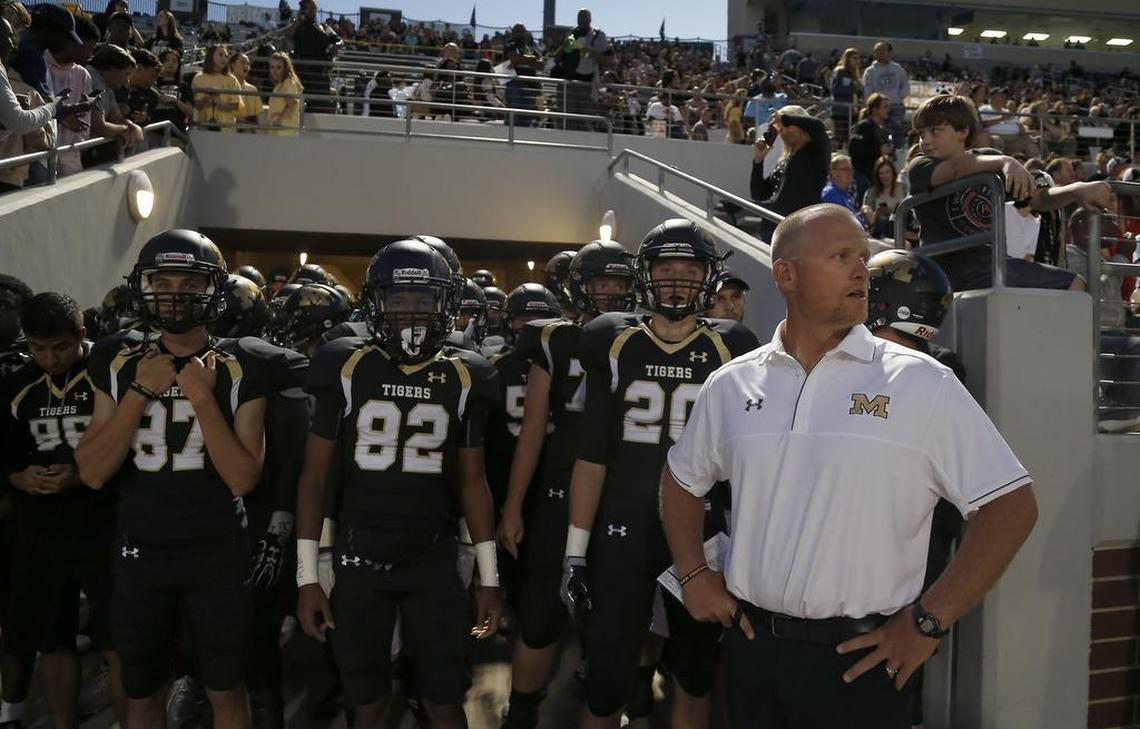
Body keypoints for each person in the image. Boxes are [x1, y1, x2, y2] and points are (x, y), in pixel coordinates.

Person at [661, 203, 1039, 728]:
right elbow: (681, 481)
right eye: (841, 256)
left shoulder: (921, 382)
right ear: (785, 275)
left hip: (863, 660)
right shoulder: (731, 384)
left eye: (863, 256)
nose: (862, 269)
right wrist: (694, 573)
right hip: (752, 652)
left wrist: (930, 622)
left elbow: (1011, 504)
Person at [76, 229, 281, 729]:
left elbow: (242, 478)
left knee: (225, 688)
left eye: (187, 281)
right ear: (142, 286)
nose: (172, 293)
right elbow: (93, 471)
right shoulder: (117, 359)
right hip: (141, 549)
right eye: (161, 281)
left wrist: (203, 398)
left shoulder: (241, 363)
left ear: (212, 290)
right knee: (142, 689)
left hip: (215, 551)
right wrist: (141, 392)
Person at [295, 239, 502, 729]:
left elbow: (474, 483)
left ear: (444, 303)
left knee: (445, 698)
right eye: (399, 299)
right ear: (377, 303)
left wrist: (489, 577)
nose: (411, 311)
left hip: (432, 557)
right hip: (359, 556)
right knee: (365, 698)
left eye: (424, 299)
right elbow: (315, 478)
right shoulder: (345, 364)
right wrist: (308, 575)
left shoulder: (466, 373)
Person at [561, 220, 759, 729]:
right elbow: (592, 455)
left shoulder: (734, 345)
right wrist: (575, 552)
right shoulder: (609, 339)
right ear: (645, 276)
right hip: (622, 524)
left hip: (703, 530)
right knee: (607, 680)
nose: (676, 281)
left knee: (694, 673)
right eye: (664, 269)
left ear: (709, 277)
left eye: (689, 270)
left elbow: (745, 464)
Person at [497, 240, 636, 728]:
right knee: (539, 613)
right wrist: (513, 506)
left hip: (619, 489)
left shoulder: (642, 335)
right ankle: (523, 707)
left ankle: (605, 697)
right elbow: (532, 431)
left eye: (620, 283)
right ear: (580, 286)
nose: (613, 293)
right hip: (559, 484)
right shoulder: (554, 339)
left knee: (614, 613)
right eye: (603, 283)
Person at [2, 292, 127, 729]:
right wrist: (19, 477)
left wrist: (80, 472)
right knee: (51, 638)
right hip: (42, 526)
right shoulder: (17, 383)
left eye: (58, 347)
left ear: (80, 335)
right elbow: (6, 455)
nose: (48, 358)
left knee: (116, 640)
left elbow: (134, 446)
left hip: (103, 521)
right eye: (37, 347)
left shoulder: (110, 376)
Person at [907, 94, 1109, 291]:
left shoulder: (989, 159)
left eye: (935, 131)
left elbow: (1038, 199)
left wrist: (1076, 190)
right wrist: (1005, 161)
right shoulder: (921, 164)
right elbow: (955, 170)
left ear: (962, 131)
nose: (925, 140)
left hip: (991, 265)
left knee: (1075, 283)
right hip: (943, 268)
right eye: (921, 134)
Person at [750, 106, 830, 241]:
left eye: (786, 126)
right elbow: (759, 193)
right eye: (781, 128)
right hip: (773, 227)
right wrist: (758, 161)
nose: (783, 131)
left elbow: (818, 126)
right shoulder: (785, 160)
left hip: (800, 229)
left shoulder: (815, 151)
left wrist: (783, 118)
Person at [555, 9, 610, 130]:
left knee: (585, 120)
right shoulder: (572, 34)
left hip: (587, 84)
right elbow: (557, 58)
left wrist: (591, 52)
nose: (581, 20)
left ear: (590, 19)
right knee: (566, 119)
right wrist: (564, 45)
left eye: (584, 17)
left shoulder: (598, 35)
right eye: (579, 17)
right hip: (568, 83)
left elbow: (608, 59)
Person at [286, 0, 340, 113]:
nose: (312, 10)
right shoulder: (297, 24)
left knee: (320, 106)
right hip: (301, 71)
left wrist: (336, 46)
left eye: (314, 7)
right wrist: (299, 19)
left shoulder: (324, 26)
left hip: (320, 73)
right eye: (309, 7)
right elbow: (289, 35)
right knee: (299, 106)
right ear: (304, 9)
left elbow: (339, 40)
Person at [847, 93, 893, 204]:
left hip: (875, 178)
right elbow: (853, 149)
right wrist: (878, 151)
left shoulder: (883, 130)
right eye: (885, 107)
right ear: (875, 109)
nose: (888, 110)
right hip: (863, 177)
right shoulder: (863, 126)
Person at [861, 40, 908, 147]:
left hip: (896, 106)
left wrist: (899, 96)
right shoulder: (870, 71)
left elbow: (905, 84)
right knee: (878, 131)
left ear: (889, 52)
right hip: (878, 107)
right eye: (877, 50)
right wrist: (872, 103)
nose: (879, 52)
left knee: (897, 132)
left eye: (882, 50)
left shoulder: (897, 69)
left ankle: (898, 152)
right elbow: (867, 89)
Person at [192, 44, 241, 131]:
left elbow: (236, 105)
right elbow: (196, 106)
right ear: (210, 56)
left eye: (226, 56)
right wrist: (207, 97)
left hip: (226, 130)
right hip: (203, 128)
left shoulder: (232, 79)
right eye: (220, 55)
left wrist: (218, 101)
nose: (224, 59)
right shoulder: (198, 78)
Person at [862, 156, 908, 239]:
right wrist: (876, 214)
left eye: (887, 172)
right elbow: (867, 214)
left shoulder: (903, 188)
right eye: (881, 173)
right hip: (880, 230)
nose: (885, 176)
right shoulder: (871, 192)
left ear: (893, 172)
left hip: (901, 227)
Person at [821, 153, 868, 229]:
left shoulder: (846, 195)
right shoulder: (830, 194)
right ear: (833, 173)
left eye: (851, 170)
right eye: (845, 169)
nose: (850, 173)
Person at [829, 47, 861, 145]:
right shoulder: (840, 72)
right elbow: (835, 89)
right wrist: (851, 89)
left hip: (852, 110)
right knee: (838, 140)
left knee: (850, 139)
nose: (857, 61)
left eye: (858, 58)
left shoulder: (854, 74)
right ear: (847, 59)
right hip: (840, 110)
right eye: (854, 58)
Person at [265, 51, 301, 135]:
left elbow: (291, 105)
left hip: (284, 130)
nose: (274, 70)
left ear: (285, 68)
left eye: (278, 67)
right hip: (277, 130)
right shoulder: (279, 86)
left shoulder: (288, 82)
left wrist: (279, 120)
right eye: (272, 67)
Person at [229, 51, 262, 129]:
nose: (246, 66)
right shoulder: (225, 85)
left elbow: (256, 119)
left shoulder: (253, 89)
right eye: (243, 62)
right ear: (233, 65)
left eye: (248, 64)